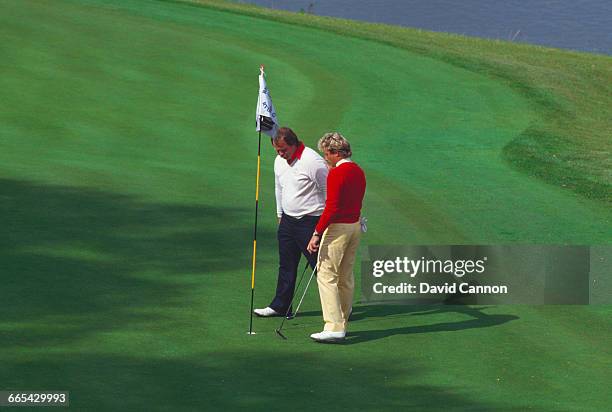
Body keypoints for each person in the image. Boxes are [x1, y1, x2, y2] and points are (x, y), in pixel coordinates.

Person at [254, 127, 328, 317]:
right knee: (286, 264)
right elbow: (279, 188)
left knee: (321, 268)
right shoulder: (280, 161)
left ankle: (340, 307)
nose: (281, 154)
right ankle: (281, 305)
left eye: (284, 150)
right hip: (287, 221)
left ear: (294, 144)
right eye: (277, 151)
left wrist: (322, 226)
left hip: (310, 222)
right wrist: (280, 215)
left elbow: (329, 192)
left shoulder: (312, 161)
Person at [307, 132, 366, 343]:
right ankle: (344, 314)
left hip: (338, 229)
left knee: (326, 274)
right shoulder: (358, 171)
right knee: (345, 274)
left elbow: (331, 207)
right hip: (355, 227)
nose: (325, 158)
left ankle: (334, 326)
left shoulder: (337, 174)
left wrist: (316, 233)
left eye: (326, 154)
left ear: (335, 153)